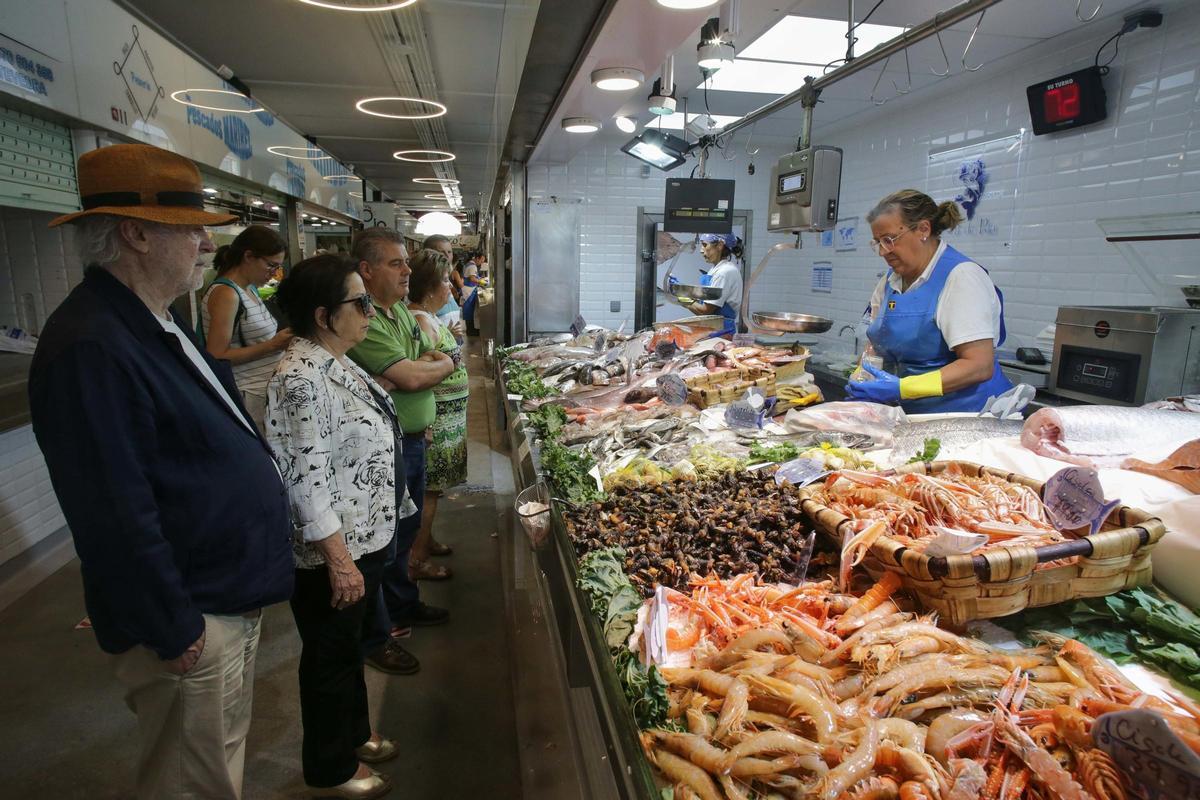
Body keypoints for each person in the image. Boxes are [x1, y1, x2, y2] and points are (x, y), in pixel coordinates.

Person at [28, 143, 293, 799]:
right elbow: (111, 509)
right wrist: (171, 625)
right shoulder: (91, 344)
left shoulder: (156, 319)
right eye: (192, 228)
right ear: (136, 234)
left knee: (216, 764)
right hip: (192, 616)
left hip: (223, 593)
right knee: (188, 782)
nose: (208, 244)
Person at [266, 254, 412, 799]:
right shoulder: (299, 377)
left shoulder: (336, 360)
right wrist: (339, 560)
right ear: (324, 315)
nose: (371, 312)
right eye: (360, 303)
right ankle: (331, 767)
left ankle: (355, 733)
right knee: (329, 657)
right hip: (334, 551)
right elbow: (306, 479)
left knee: (349, 649)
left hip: (365, 536)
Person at [347, 228, 454, 675]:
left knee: (406, 531)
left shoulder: (399, 313)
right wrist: (423, 368)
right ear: (367, 270)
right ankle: (378, 635)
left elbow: (432, 356)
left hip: (410, 438)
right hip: (379, 447)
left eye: (406, 262)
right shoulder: (365, 319)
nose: (408, 270)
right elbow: (411, 376)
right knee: (380, 544)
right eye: (396, 263)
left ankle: (403, 605)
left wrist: (429, 365)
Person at [845, 189, 1013, 413]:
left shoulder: (962, 276)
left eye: (889, 240)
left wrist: (903, 388)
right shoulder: (889, 281)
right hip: (913, 415)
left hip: (967, 417)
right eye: (877, 243)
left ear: (923, 229)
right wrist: (863, 377)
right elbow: (875, 344)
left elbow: (979, 366)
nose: (883, 252)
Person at [406, 249, 470, 580]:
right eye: (445, 280)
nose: (450, 286)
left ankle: (425, 541)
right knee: (429, 492)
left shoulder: (428, 317)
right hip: (438, 422)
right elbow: (420, 370)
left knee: (432, 490)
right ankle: (417, 561)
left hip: (446, 419)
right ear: (430, 287)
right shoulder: (421, 320)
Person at [199, 224, 293, 430]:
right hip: (247, 394)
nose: (274, 274)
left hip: (265, 391)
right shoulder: (226, 294)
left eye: (278, 268)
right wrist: (272, 345)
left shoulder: (250, 289)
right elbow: (216, 355)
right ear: (248, 256)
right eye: (271, 265)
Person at [688, 232, 745, 336]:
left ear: (720, 245)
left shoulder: (723, 272)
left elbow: (706, 311)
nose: (701, 250)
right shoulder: (716, 269)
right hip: (712, 328)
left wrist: (683, 300)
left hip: (721, 331)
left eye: (705, 245)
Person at [421, 234, 466, 340]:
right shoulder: (424, 287)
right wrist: (447, 335)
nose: (447, 256)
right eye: (441, 252)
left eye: (449, 252)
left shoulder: (447, 282)